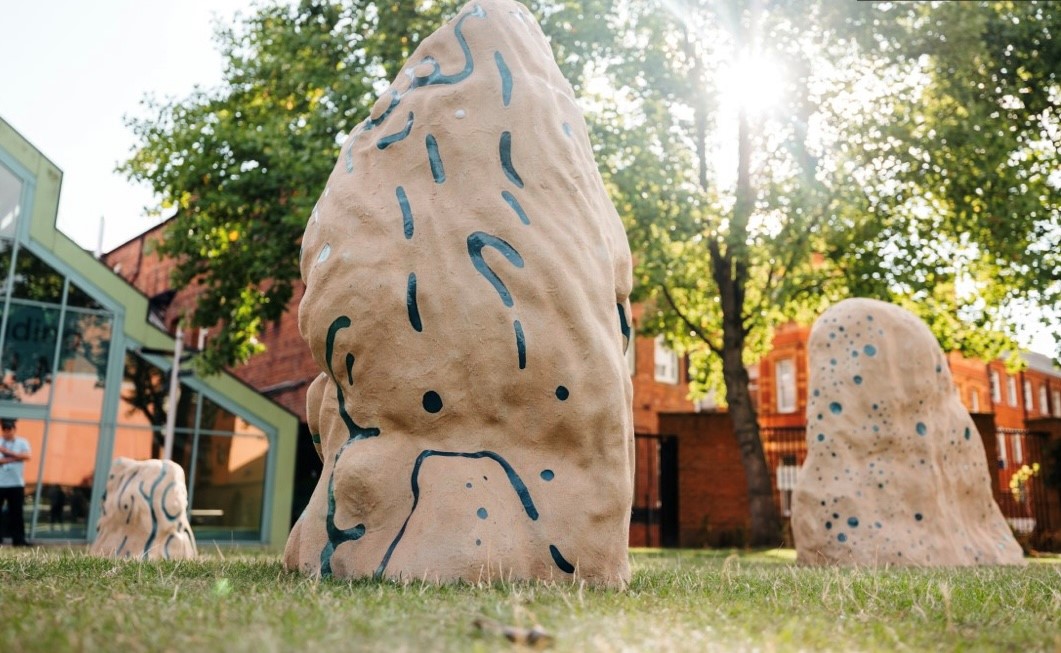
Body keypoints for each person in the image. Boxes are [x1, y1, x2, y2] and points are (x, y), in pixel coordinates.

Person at [0, 418, 31, 546]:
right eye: (5, 430)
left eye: (10, 429)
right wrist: (17, 457)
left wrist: (7, 452)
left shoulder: (22, 442)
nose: (7, 432)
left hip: (17, 484)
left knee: (17, 513)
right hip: (1, 483)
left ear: (14, 430)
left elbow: (27, 456)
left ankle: (19, 540)